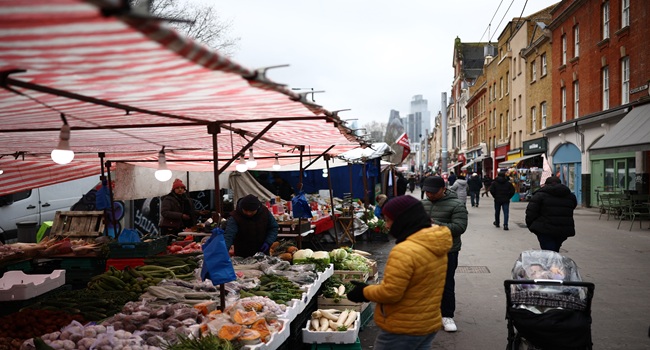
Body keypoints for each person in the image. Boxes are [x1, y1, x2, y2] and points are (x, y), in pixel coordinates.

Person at [346, 195, 452, 349]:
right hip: (428, 322)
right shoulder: (435, 242)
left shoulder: (405, 251)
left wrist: (364, 292)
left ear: (404, 220)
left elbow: (391, 293)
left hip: (403, 327)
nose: (387, 226)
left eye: (389, 220)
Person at [421, 176, 468, 332]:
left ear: (444, 189)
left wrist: (435, 224)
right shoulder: (423, 204)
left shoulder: (457, 205)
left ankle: (447, 315)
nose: (430, 195)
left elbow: (459, 227)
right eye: (427, 192)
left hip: (448, 251)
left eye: (433, 192)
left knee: (446, 283)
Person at [525, 176, 578, 252]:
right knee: (555, 250)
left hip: (544, 229)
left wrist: (531, 225)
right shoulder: (570, 196)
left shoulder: (539, 195)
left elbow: (531, 212)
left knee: (548, 252)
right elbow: (572, 207)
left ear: (546, 184)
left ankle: (551, 262)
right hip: (563, 229)